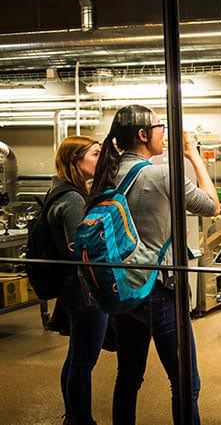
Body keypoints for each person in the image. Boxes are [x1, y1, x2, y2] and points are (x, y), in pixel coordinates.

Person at [88, 105, 220, 425]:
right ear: (144, 135)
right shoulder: (162, 174)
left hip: (124, 288)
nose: (165, 133)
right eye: (160, 127)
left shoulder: (107, 173)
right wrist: (192, 155)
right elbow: (212, 206)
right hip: (160, 290)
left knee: (128, 378)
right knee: (185, 383)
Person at [48, 136, 106, 425]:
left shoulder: (62, 190)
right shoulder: (71, 199)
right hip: (84, 292)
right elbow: (81, 249)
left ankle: (73, 416)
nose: (100, 159)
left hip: (73, 290)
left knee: (76, 358)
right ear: (76, 161)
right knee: (83, 362)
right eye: (95, 154)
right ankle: (81, 420)